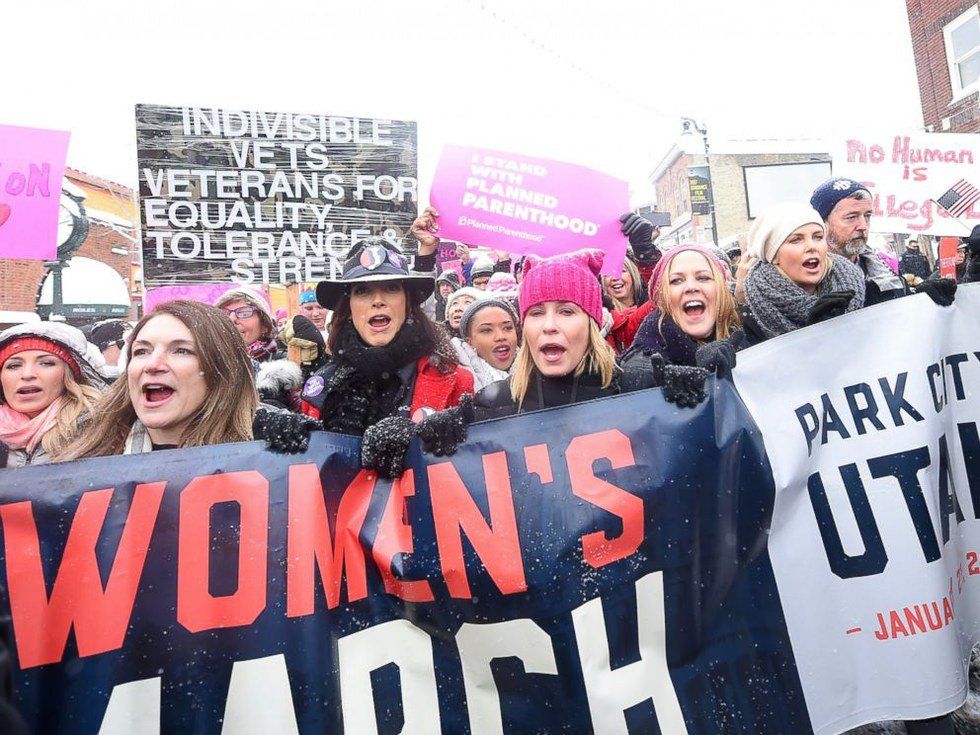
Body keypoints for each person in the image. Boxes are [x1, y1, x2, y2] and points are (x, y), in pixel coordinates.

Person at [360, 250, 709, 475]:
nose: (550, 325)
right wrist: (410, 440)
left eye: (567, 312)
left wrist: (708, 387)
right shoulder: (494, 405)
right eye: (537, 312)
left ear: (591, 324)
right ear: (524, 325)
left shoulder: (638, 389)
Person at [59, 300, 314, 459]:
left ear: (221, 368)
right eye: (142, 351)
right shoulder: (81, 458)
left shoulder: (275, 451)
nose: (152, 364)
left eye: (181, 350)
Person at [300, 237, 473, 441]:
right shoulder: (320, 390)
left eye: (391, 288)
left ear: (408, 304)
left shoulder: (457, 380)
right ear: (348, 309)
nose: (378, 301)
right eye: (363, 291)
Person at [740, 202, 868, 345]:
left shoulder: (863, 289)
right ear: (773, 255)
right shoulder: (747, 319)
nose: (811, 246)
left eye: (818, 237)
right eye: (796, 240)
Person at [0, 322, 106, 468]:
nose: (27, 374)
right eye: (14, 365)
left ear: (68, 375)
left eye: (46, 363)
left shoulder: (102, 432)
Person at [624, 244, 745, 370]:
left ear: (722, 289)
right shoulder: (645, 366)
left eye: (703, 278)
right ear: (663, 297)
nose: (691, 287)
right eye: (676, 281)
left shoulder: (750, 334)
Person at [453, 297, 520, 391]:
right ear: (469, 342)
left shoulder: (539, 371)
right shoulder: (455, 383)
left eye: (508, 328)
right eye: (487, 330)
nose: (500, 336)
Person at [214, 286, 282, 363]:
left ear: (265, 325)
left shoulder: (282, 364)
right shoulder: (208, 362)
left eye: (244, 313)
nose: (231, 319)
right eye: (224, 314)